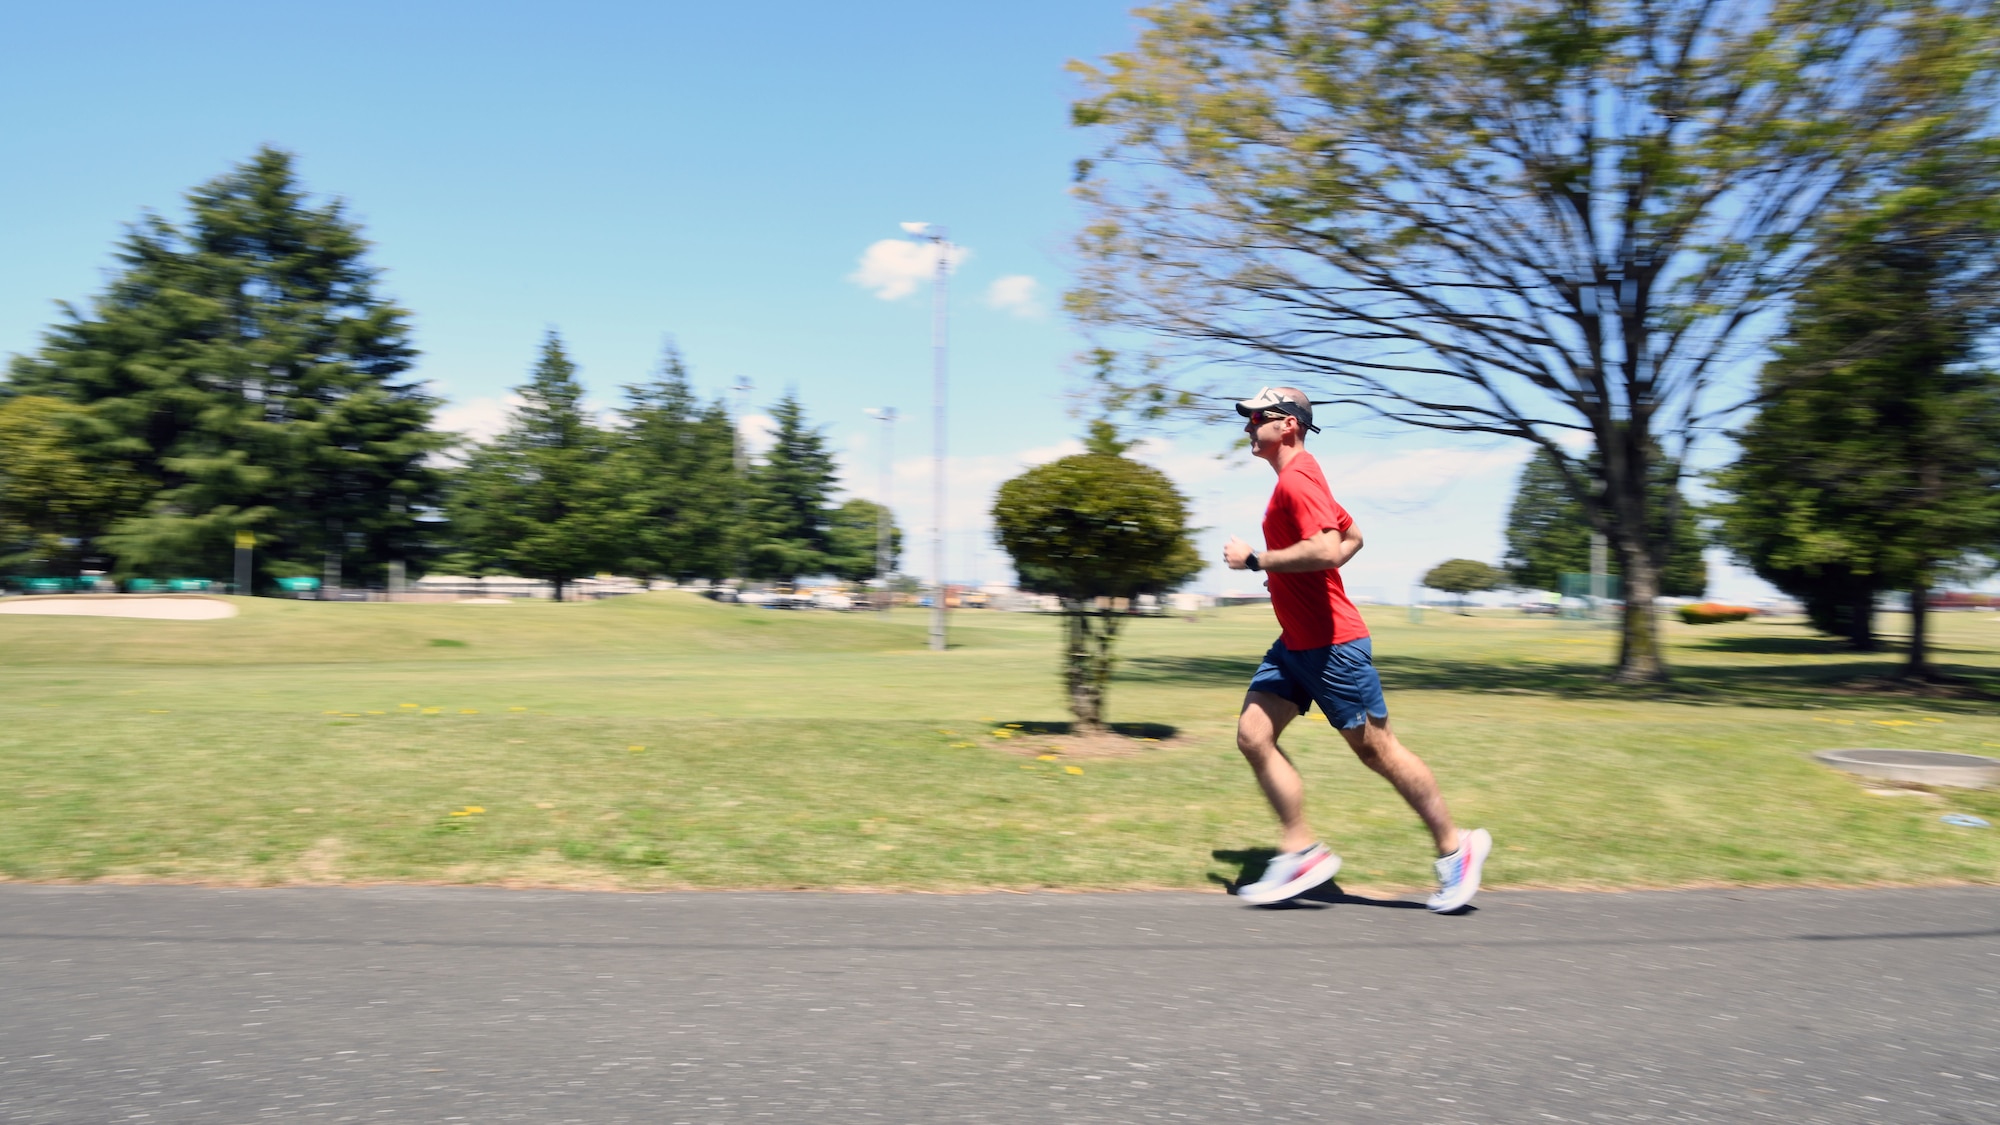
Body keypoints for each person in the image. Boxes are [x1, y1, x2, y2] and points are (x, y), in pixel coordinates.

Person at [1221, 387, 1491, 910]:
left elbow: (1327, 546)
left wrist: (1259, 561)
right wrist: (1291, 577)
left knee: (1379, 752)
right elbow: (1352, 539)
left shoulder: (1299, 478)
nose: (1248, 427)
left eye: (1257, 418)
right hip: (1296, 644)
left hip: (1334, 645)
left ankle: (1457, 848)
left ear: (1288, 426)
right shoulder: (1298, 481)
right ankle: (1300, 849)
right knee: (1253, 735)